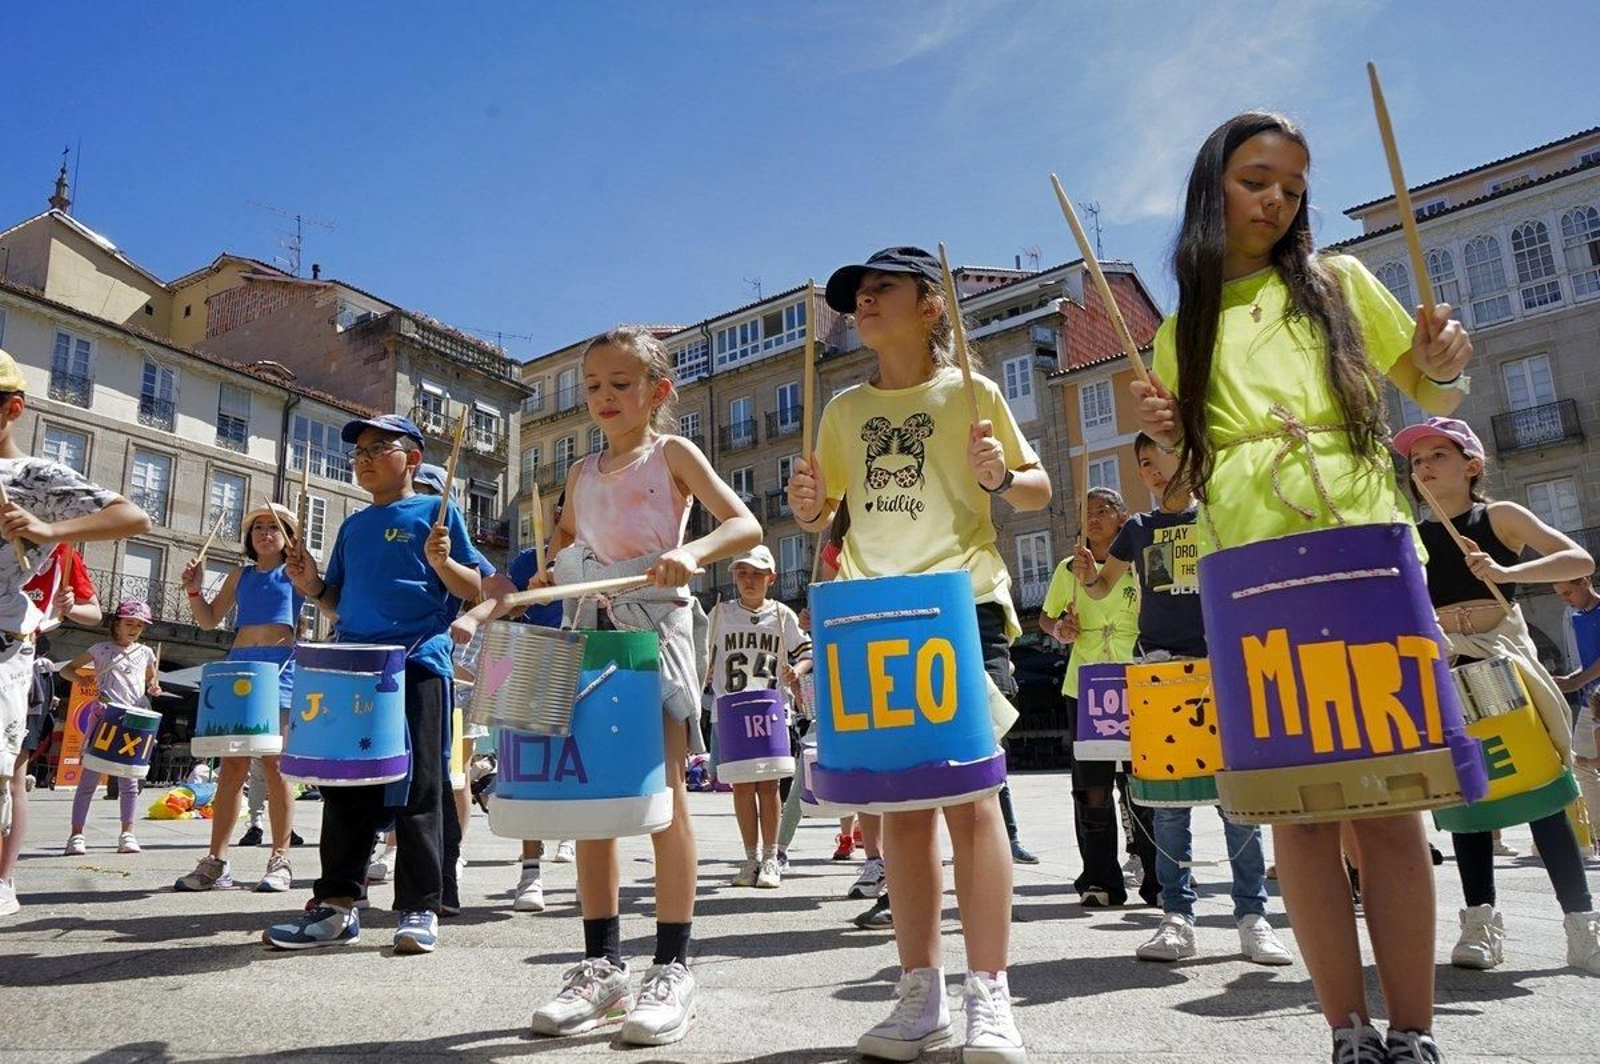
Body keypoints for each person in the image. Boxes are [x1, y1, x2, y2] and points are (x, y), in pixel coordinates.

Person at [1131, 112, 1473, 1062]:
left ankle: (1413, 1030)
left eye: (1290, 184)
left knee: (1392, 798)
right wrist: (1164, 428)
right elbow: (1187, 477)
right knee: (1300, 805)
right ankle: (1345, 1030)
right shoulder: (1176, 331)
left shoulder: (1342, 281)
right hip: (1248, 556)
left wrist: (1445, 359)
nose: (1276, 199)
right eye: (1255, 180)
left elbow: (1437, 392)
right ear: (1215, 190)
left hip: (1363, 533)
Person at [789, 245, 1051, 1062]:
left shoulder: (970, 392)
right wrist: (804, 507)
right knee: (897, 808)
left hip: (963, 604)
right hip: (873, 614)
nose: (862, 302)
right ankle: (919, 993)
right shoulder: (840, 409)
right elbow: (823, 512)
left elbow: (1038, 488)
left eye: (880, 290)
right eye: (855, 295)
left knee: (972, 803)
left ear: (931, 305)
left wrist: (1003, 474)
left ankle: (991, 995)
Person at [522, 325, 760, 1045]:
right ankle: (601, 964)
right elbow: (566, 536)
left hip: (654, 634)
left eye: (621, 384)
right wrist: (545, 568)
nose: (604, 397)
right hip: (590, 637)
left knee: (665, 799)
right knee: (593, 805)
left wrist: (689, 553)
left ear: (656, 392)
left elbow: (744, 525)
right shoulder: (580, 471)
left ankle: (673, 967)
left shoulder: (673, 453)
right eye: (593, 386)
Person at [261, 413, 487, 954]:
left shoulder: (437, 511)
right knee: (344, 788)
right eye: (358, 452)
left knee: (421, 787)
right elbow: (335, 601)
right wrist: (308, 582)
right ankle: (337, 906)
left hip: (417, 662)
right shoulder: (353, 526)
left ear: (411, 458)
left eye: (377, 448)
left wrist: (445, 561)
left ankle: (419, 906)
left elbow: (475, 587)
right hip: (355, 665)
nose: (363, 459)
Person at [1073, 433, 1291, 965]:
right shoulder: (1138, 530)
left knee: (1236, 801)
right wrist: (1087, 577)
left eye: (1156, 460)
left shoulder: (1218, 517)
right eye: (1142, 464)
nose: (1148, 471)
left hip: (1220, 665)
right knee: (1168, 807)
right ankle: (1177, 915)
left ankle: (1252, 917)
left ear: (1188, 458)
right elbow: (1103, 588)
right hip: (1160, 668)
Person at [1395, 417, 1599, 975]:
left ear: (1472, 465)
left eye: (1438, 455)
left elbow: (1578, 561)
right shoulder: (1411, 535)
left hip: (1501, 656)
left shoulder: (1499, 517)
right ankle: (1480, 922)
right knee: (1467, 795)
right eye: (1417, 461)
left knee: (1538, 788)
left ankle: (1582, 926)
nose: (1425, 467)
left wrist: (1508, 568)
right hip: (1446, 662)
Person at [450, 490, 574, 914]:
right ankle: (530, 870)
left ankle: (582, 857)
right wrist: (519, 607)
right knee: (528, 768)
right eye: (568, 507)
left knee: (583, 772)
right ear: (558, 514)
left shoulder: (605, 557)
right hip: (538, 660)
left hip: (589, 661)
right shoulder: (525, 562)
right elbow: (503, 607)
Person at [175, 503, 304, 894]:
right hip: (241, 667)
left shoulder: (297, 572)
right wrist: (194, 588)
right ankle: (217, 860)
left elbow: (329, 603)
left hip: (280, 669)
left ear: (288, 538)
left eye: (274, 527)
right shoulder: (239, 575)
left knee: (275, 765)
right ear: (249, 537)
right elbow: (209, 619)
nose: (265, 533)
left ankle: (280, 858)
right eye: (258, 527)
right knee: (231, 766)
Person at [1039, 488, 1152, 906]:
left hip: (1135, 678)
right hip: (1085, 684)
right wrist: (1059, 630)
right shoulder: (1069, 568)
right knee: (1093, 786)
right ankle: (1099, 879)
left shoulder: (1139, 566)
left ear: (1123, 517)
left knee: (1144, 780)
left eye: (1104, 511)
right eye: (1088, 512)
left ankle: (1156, 876)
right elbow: (1047, 617)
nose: (1095, 519)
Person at [3, 545, 105, 916]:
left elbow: (92, 612)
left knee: (13, 775)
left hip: (22, 662)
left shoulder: (60, 551)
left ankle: (4, 879)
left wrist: (69, 606)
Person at [706, 544, 811, 890]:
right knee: (740, 786)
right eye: (742, 573)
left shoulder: (782, 615)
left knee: (769, 786)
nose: (749, 580)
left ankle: (770, 858)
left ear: (771, 578)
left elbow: (807, 650)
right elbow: (702, 655)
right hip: (731, 708)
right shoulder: (719, 614)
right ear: (735, 576)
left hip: (770, 706)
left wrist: (795, 670)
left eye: (756, 574)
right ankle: (750, 858)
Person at [60, 601, 162, 856]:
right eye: (130, 623)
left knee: (129, 781)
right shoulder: (100, 649)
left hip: (134, 718)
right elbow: (66, 670)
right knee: (89, 781)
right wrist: (82, 679)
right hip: (106, 716)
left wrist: (153, 688)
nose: (135, 629)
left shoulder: (146, 653)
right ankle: (76, 835)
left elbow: (150, 679)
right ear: (116, 623)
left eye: (139, 625)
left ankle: (127, 833)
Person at [1554, 576, 1600, 855]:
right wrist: (1571, 679)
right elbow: (1589, 659)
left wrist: (1578, 680)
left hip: (1592, 695)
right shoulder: (1577, 617)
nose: (1566, 599)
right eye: (1560, 595)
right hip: (1589, 701)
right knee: (1581, 764)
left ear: (1585, 582)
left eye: (1568, 592)